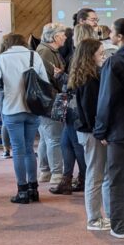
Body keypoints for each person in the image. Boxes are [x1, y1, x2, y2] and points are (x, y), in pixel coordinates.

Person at [0, 32, 50, 204]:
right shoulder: (33, 55)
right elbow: (45, 82)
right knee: (29, 149)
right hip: (33, 108)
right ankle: (33, 189)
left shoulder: (1, 59)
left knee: (18, 150)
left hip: (12, 109)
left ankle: (22, 191)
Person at [95, 18, 124, 239]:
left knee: (117, 178)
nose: (109, 35)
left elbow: (106, 99)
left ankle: (120, 227)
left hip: (119, 129)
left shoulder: (114, 62)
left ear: (120, 36)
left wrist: (101, 130)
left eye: (111, 31)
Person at [69, 37, 108, 231]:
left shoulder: (83, 75)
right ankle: (93, 219)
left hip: (87, 131)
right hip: (92, 132)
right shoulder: (91, 79)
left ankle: (100, 216)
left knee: (97, 174)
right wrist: (100, 134)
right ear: (89, 55)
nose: (103, 56)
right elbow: (92, 110)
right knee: (95, 175)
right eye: (100, 53)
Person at [54, 23, 97, 195]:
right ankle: (68, 180)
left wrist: (59, 75)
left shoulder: (79, 55)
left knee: (75, 144)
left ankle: (84, 179)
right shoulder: (88, 54)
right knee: (66, 143)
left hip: (74, 107)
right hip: (74, 106)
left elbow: (75, 81)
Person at [35, 23, 68, 187]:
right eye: (63, 34)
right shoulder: (46, 52)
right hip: (52, 100)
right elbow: (52, 78)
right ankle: (56, 174)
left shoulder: (46, 50)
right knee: (54, 138)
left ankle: (45, 171)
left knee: (46, 138)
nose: (66, 37)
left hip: (49, 100)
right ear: (55, 37)